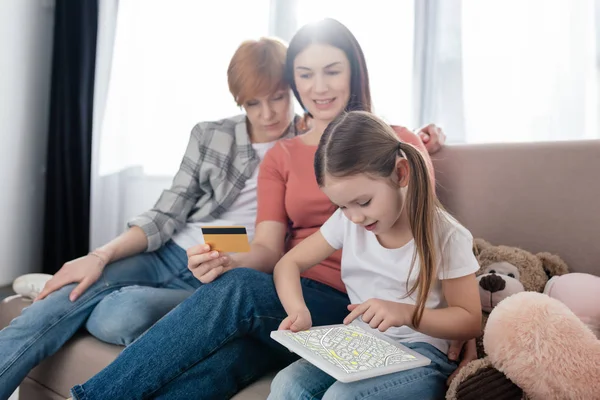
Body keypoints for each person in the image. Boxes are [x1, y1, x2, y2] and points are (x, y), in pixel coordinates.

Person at [66, 19, 454, 400]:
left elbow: (429, 232)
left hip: (358, 305)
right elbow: (269, 249)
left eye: (332, 71)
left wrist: (458, 323)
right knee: (218, 366)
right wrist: (228, 263)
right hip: (291, 300)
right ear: (294, 82)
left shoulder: (398, 142)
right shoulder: (281, 155)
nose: (318, 87)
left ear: (355, 71)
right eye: (304, 75)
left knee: (238, 291)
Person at [0, 37, 306, 400]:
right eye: (254, 103)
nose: (268, 114)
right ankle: (80, 289)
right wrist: (99, 256)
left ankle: (102, 295)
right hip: (170, 250)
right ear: (239, 101)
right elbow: (167, 211)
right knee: (56, 304)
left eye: (278, 97)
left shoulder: (307, 143)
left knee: (119, 316)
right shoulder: (211, 134)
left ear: (293, 91)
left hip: (220, 273)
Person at [268, 110, 482, 399]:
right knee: (287, 384)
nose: (355, 217)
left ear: (400, 173)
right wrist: (298, 311)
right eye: (342, 206)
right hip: (361, 344)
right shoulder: (348, 222)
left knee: (342, 398)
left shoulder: (446, 235)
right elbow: (288, 264)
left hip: (423, 353)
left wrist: (406, 313)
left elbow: (469, 320)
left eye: (364, 202)